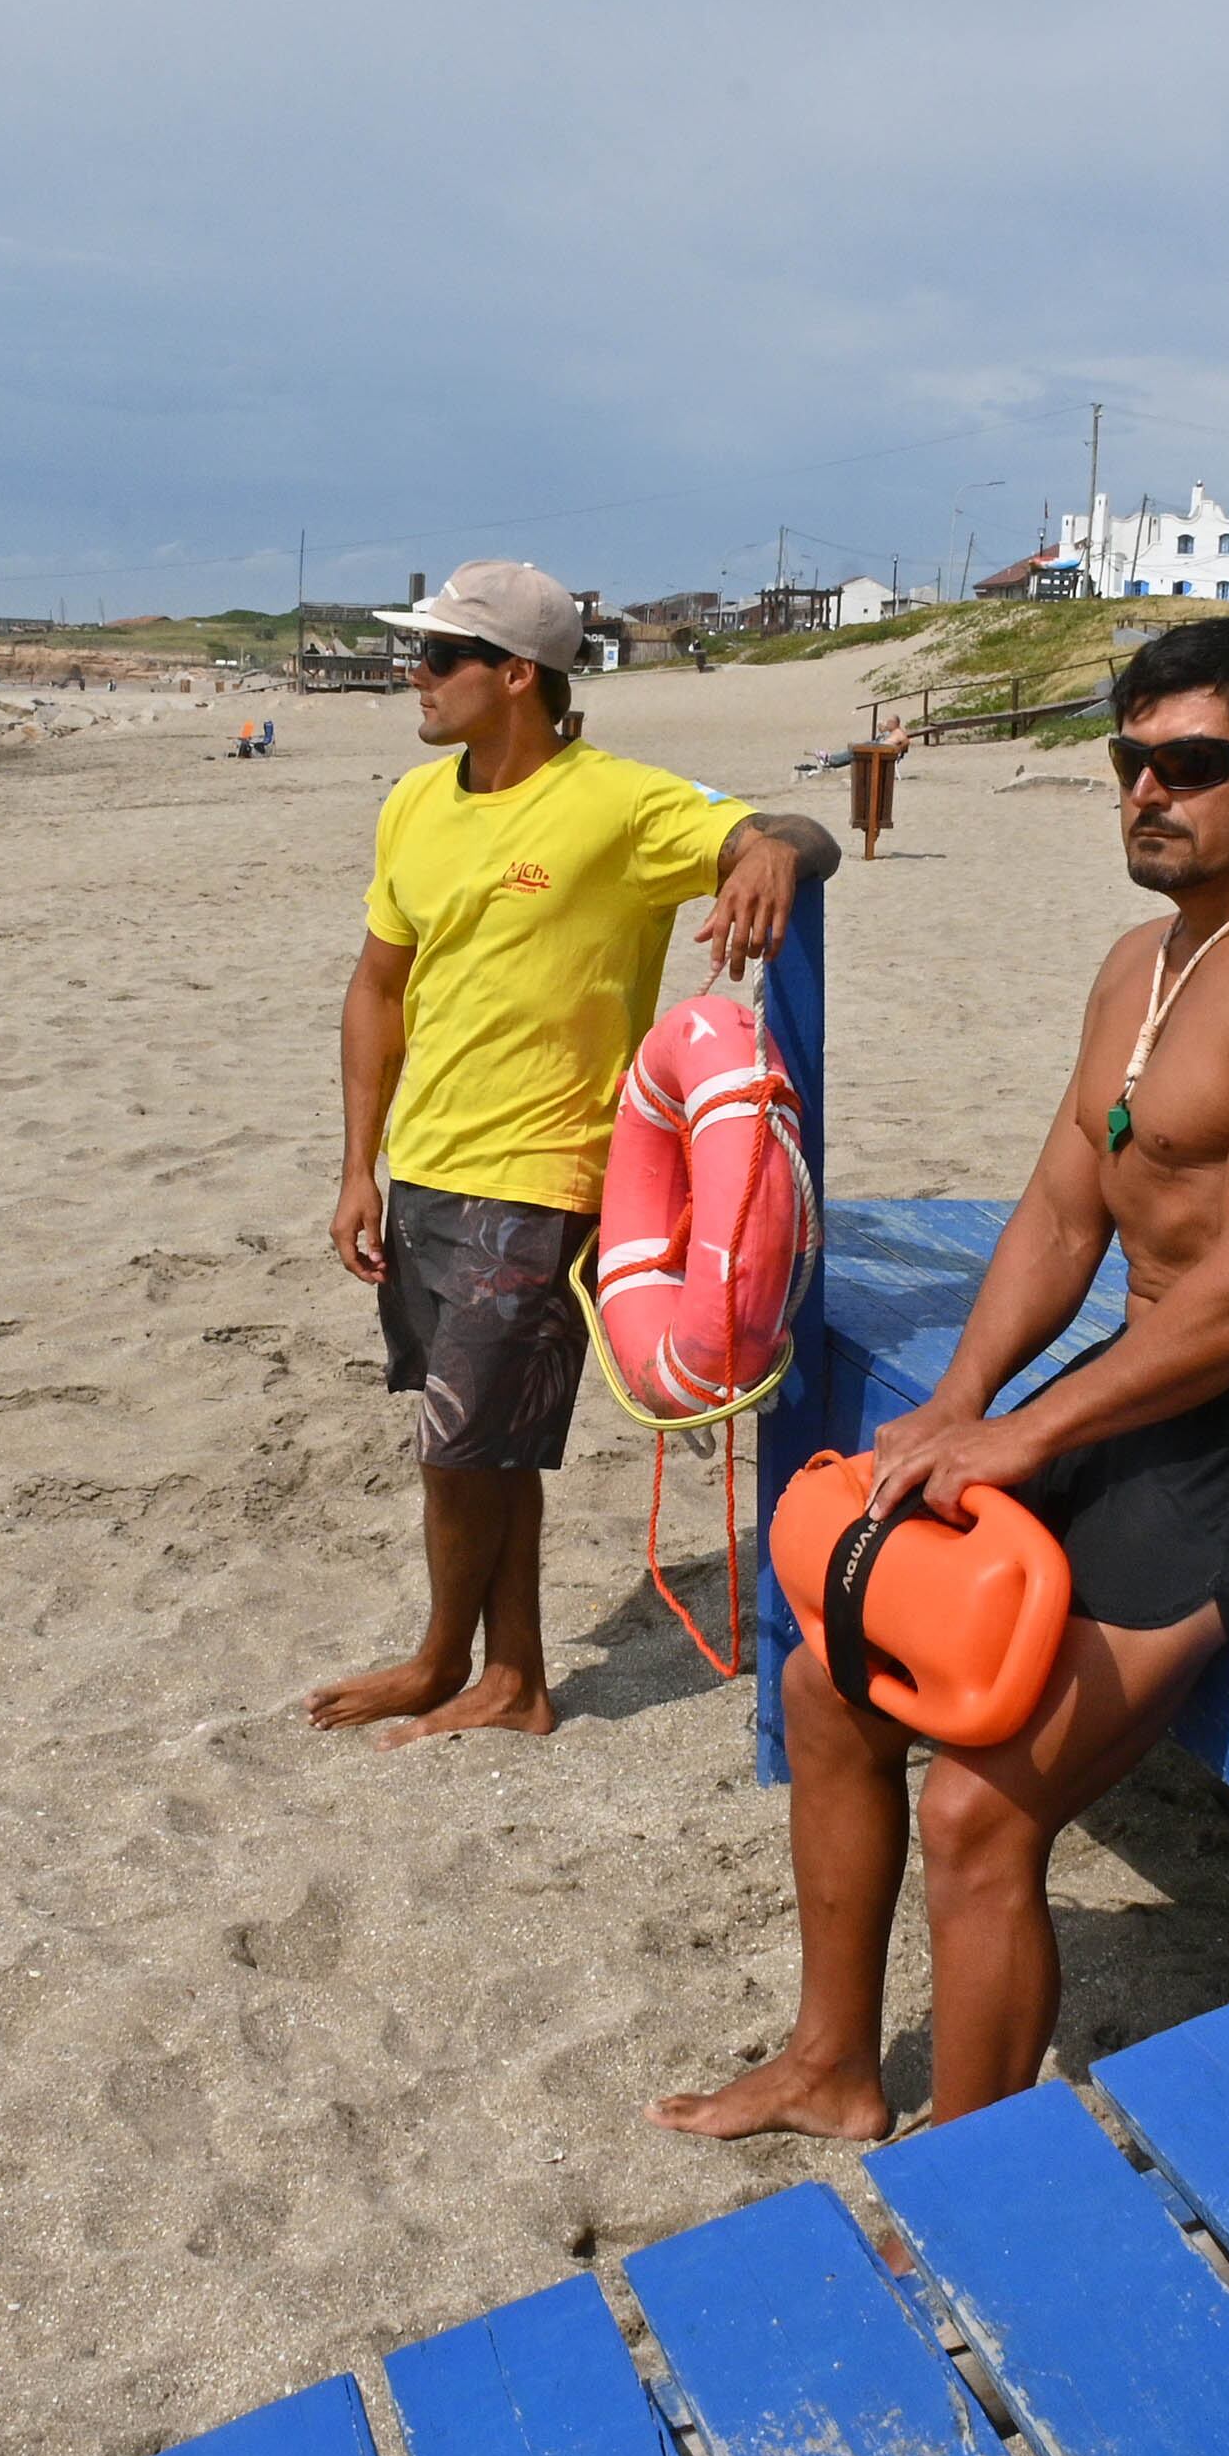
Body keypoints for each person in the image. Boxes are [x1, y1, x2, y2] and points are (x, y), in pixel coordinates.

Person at [656, 615, 1229, 2141]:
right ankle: (831, 2064)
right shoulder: (1147, 961)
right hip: (1133, 1409)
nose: (1150, 791)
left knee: (981, 1804)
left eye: (1193, 763)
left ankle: (981, 2168)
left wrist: (1025, 1437)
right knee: (827, 1687)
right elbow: (1064, 1214)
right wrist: (962, 1401)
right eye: (1131, 762)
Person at [313, 560, 842, 1744]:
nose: (418, 673)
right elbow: (378, 986)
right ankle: (514, 1677)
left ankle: (451, 1662)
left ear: (518, 676)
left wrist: (774, 851)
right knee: (484, 1444)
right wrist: (360, 1163)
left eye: (441, 656)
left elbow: (788, 828)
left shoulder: (615, 803)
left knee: (457, 1445)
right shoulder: (413, 802)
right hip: (427, 1171)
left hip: (545, 1180)